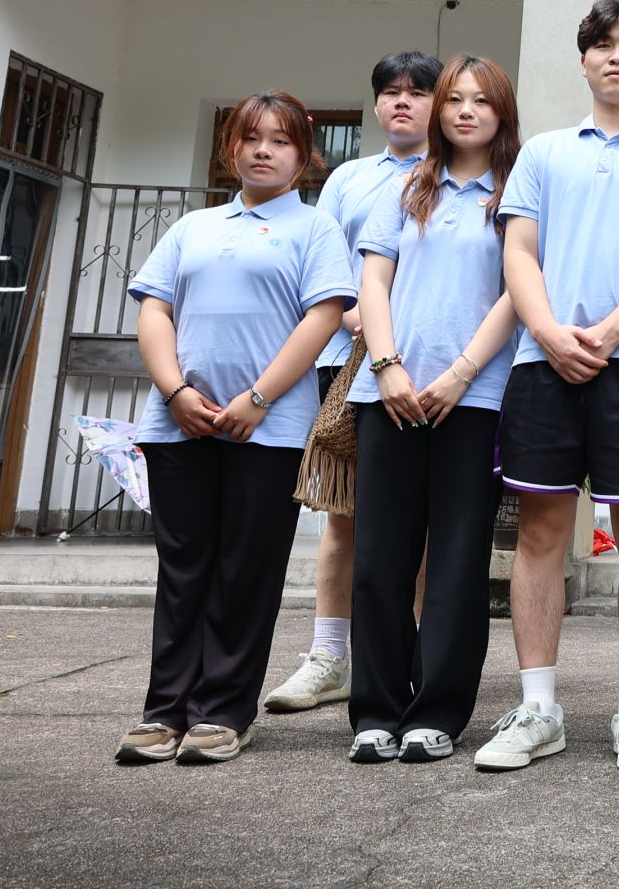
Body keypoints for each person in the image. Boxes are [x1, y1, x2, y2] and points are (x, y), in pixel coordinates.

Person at [473, 0, 619, 775]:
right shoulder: (543, 152)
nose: (617, 55)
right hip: (543, 366)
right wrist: (548, 331)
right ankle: (538, 706)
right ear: (582, 60)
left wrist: (607, 333)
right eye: (603, 44)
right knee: (540, 534)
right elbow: (519, 252)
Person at [114, 91, 354, 765]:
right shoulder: (193, 226)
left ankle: (223, 710)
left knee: (246, 569)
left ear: (303, 156)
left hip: (268, 430)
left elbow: (323, 318)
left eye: (280, 140)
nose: (263, 150)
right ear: (231, 149)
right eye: (251, 138)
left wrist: (257, 397)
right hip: (178, 426)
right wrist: (175, 390)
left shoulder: (315, 229)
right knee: (183, 570)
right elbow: (155, 309)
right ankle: (165, 710)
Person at [345, 55, 521, 763]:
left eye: (482, 100)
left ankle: (438, 712)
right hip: (385, 397)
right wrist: (387, 367)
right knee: (377, 561)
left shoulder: (515, 192)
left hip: (473, 401)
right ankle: (375, 710)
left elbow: (517, 293)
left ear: (502, 112)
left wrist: (459, 374)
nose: (466, 111)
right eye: (455, 99)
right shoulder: (407, 187)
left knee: (456, 562)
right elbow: (373, 283)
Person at [265, 51, 440, 714]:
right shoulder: (350, 179)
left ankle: (409, 657)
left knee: (423, 522)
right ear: (376, 104)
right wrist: (352, 312)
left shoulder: (456, 176)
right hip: (348, 364)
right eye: (391, 92)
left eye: (417, 92)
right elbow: (329, 265)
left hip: (430, 366)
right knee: (345, 514)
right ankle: (330, 655)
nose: (403, 102)